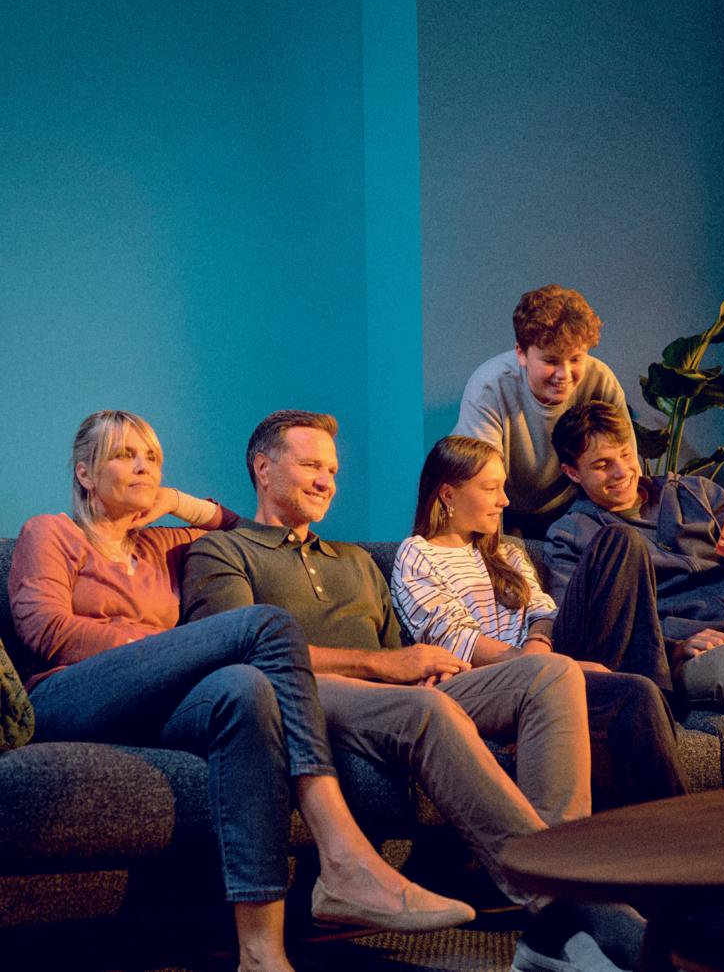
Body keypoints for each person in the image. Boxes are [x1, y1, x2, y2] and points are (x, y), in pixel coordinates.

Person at [8, 410, 473, 972]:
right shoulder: (51, 532)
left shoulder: (164, 545)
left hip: (151, 703)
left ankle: (260, 953)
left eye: (152, 458)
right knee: (268, 624)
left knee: (245, 686)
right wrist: (167, 648)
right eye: (124, 455)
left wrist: (175, 500)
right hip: (68, 696)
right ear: (85, 473)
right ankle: (344, 856)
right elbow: (46, 630)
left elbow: (236, 525)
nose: (144, 467)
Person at [181, 408, 596, 920]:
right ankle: (560, 904)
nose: (326, 481)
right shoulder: (222, 551)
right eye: (311, 466)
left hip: (395, 695)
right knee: (425, 709)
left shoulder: (355, 561)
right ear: (263, 469)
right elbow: (234, 653)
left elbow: (398, 651)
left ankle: (565, 867)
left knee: (551, 674)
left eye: (332, 470)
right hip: (303, 693)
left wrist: (425, 667)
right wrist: (386, 668)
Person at [390, 436, 689, 972]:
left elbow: (543, 611)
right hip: (496, 683)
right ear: (448, 495)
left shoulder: (506, 552)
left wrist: (542, 650)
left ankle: (676, 874)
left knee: (620, 542)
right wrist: (539, 665)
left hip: (545, 664)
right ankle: (687, 878)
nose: (505, 500)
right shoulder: (418, 554)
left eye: (503, 487)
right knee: (635, 695)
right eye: (491, 488)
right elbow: (454, 640)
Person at [543, 400, 724, 717]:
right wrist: (673, 647)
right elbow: (583, 631)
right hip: (696, 660)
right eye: (602, 465)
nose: (622, 471)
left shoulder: (697, 491)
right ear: (573, 472)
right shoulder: (571, 536)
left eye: (625, 454)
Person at [454, 284, 634, 538]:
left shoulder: (601, 380)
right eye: (551, 361)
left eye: (575, 359)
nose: (564, 374)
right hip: (504, 508)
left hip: (572, 509)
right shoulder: (489, 387)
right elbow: (481, 485)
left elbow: (627, 464)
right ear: (521, 353)